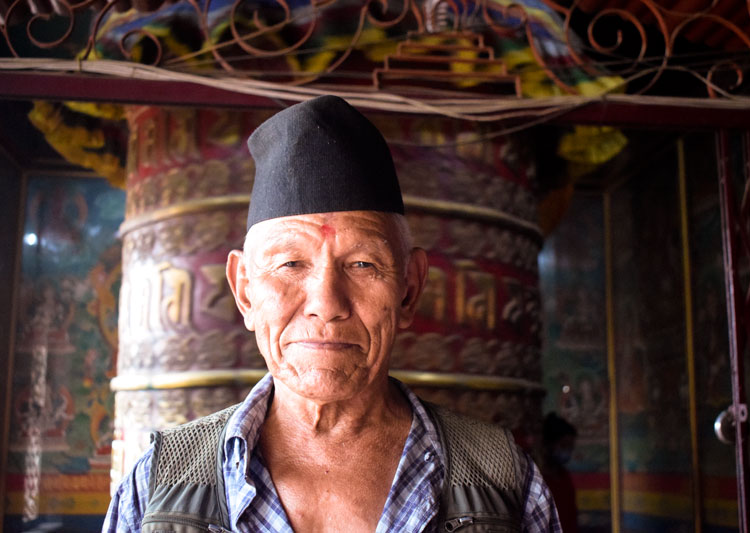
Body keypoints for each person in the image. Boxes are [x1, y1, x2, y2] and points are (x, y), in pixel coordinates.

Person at [103, 95, 561, 533]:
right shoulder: (158, 488)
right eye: (290, 264)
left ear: (409, 290)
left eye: (363, 264)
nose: (326, 303)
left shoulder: (504, 486)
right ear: (245, 291)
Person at [542, 413, 578, 533]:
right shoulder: (538, 480)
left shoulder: (565, 477)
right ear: (548, 444)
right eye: (563, 445)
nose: (567, 451)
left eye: (570, 447)